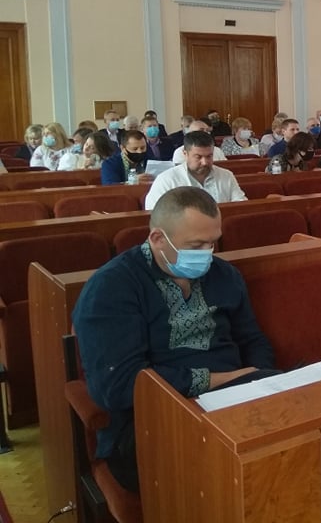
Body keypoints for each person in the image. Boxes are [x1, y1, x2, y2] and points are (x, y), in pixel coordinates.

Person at [72, 187, 278, 492]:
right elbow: (119, 386)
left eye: (213, 242)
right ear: (158, 238)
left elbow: (252, 340)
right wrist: (229, 379)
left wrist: (262, 380)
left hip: (236, 400)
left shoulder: (224, 275)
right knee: (245, 473)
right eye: (196, 245)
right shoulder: (112, 287)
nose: (207, 254)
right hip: (152, 421)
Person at [145, 131, 247, 210]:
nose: (205, 162)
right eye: (198, 157)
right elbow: (154, 214)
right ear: (185, 154)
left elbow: (241, 207)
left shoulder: (226, 176)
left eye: (209, 156)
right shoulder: (166, 180)